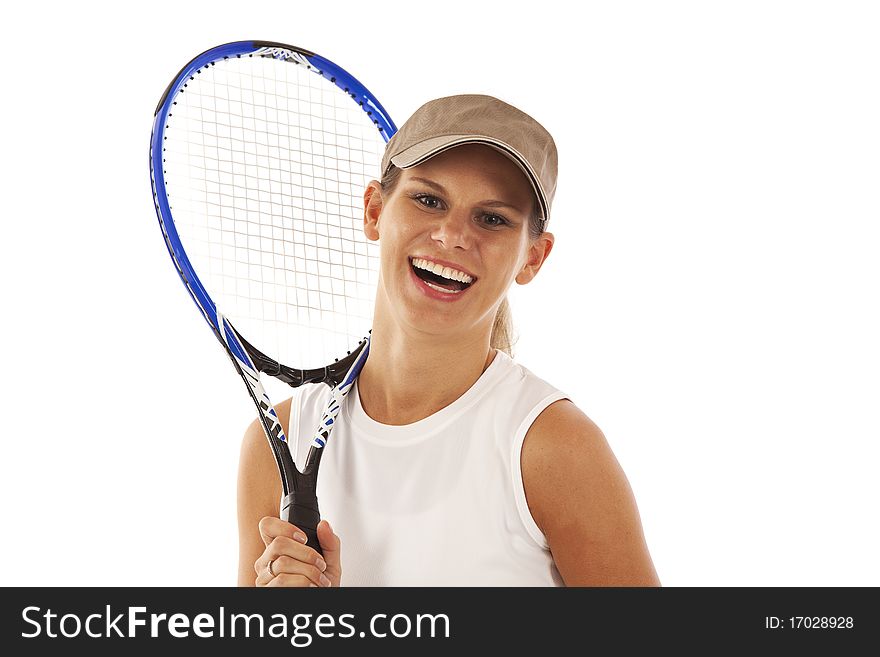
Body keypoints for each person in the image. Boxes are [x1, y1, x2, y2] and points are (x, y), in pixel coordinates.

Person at [237, 94, 660, 587]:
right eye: (429, 200)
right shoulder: (279, 439)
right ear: (375, 210)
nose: (452, 235)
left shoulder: (551, 448)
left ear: (533, 258)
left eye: (493, 218)